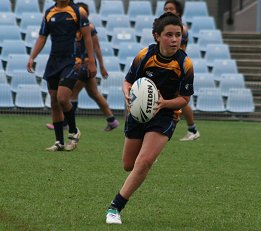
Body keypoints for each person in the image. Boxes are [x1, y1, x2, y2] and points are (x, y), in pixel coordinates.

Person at [105, 12, 194, 224]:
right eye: (169, 35)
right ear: (157, 36)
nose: (174, 40)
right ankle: (149, 155)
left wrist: (164, 104)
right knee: (129, 165)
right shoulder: (145, 55)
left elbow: (184, 98)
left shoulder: (185, 64)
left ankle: (115, 208)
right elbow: (127, 82)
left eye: (178, 35)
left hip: (165, 115)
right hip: (138, 114)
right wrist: (128, 94)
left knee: (143, 163)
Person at [27, 0, 97, 151]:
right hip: (53, 62)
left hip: (72, 61)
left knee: (62, 98)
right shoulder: (49, 12)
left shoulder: (79, 11)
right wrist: (32, 57)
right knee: (54, 101)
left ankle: (73, 131)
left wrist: (91, 61)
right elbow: (42, 37)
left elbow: (87, 37)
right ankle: (59, 141)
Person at [46, 2, 119, 132]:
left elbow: (95, 47)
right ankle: (112, 120)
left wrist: (101, 66)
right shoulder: (77, 26)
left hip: (82, 65)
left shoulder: (87, 28)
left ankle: (65, 123)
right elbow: (96, 47)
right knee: (94, 93)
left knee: (71, 94)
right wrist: (100, 66)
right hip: (85, 64)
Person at [163, 0, 200, 141]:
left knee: (181, 100)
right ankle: (191, 129)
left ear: (178, 12)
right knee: (177, 100)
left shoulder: (181, 29)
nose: (167, 10)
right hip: (168, 66)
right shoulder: (165, 27)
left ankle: (192, 129)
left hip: (176, 67)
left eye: (171, 8)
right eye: (166, 8)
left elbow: (176, 49)